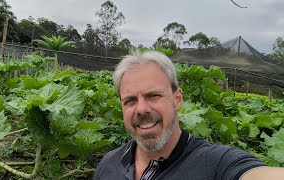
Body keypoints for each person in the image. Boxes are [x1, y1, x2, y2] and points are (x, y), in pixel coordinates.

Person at [93, 51, 284, 180]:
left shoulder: (216, 164)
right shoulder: (108, 165)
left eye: (153, 96)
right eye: (130, 100)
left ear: (177, 99)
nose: (141, 109)